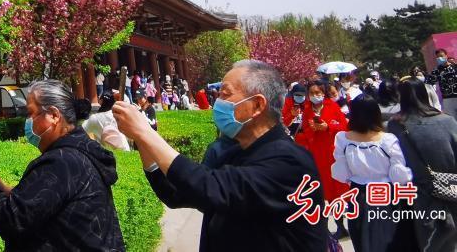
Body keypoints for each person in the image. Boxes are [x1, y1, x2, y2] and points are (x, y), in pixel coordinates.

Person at [113, 59, 327, 251]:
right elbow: (177, 193)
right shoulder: (233, 151)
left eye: (226, 94)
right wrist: (140, 139)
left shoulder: (289, 162)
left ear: (257, 105)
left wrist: (145, 131)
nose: (218, 102)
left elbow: (210, 186)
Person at [0, 79, 126, 251]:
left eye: (31, 113)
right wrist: (7, 191)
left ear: (54, 116)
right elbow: (49, 203)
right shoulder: (79, 153)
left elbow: (8, 219)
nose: (28, 121)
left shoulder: (61, 162)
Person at [331, 95, 413, 251]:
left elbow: (341, 174)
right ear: (376, 114)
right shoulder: (388, 140)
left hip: (358, 197)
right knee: (391, 241)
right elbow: (400, 176)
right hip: (386, 197)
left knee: (363, 242)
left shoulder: (343, 139)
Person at [386, 79, 457, 251]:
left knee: (432, 243)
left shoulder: (396, 125)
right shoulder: (447, 120)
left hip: (421, 193)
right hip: (453, 188)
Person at [295, 79, 350, 239]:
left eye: (317, 93)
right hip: (317, 156)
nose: (315, 96)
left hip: (334, 154)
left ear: (323, 93)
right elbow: (304, 131)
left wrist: (328, 127)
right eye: (311, 93)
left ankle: (348, 223)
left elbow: (344, 128)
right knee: (327, 193)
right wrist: (309, 131)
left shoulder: (332, 106)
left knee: (341, 190)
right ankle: (339, 226)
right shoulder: (306, 110)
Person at [425, 48, 457, 120]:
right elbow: (428, 83)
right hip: (447, 99)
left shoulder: (454, 67)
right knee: (452, 119)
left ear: (446, 56)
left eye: (441, 56)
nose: (439, 58)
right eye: (437, 57)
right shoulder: (436, 70)